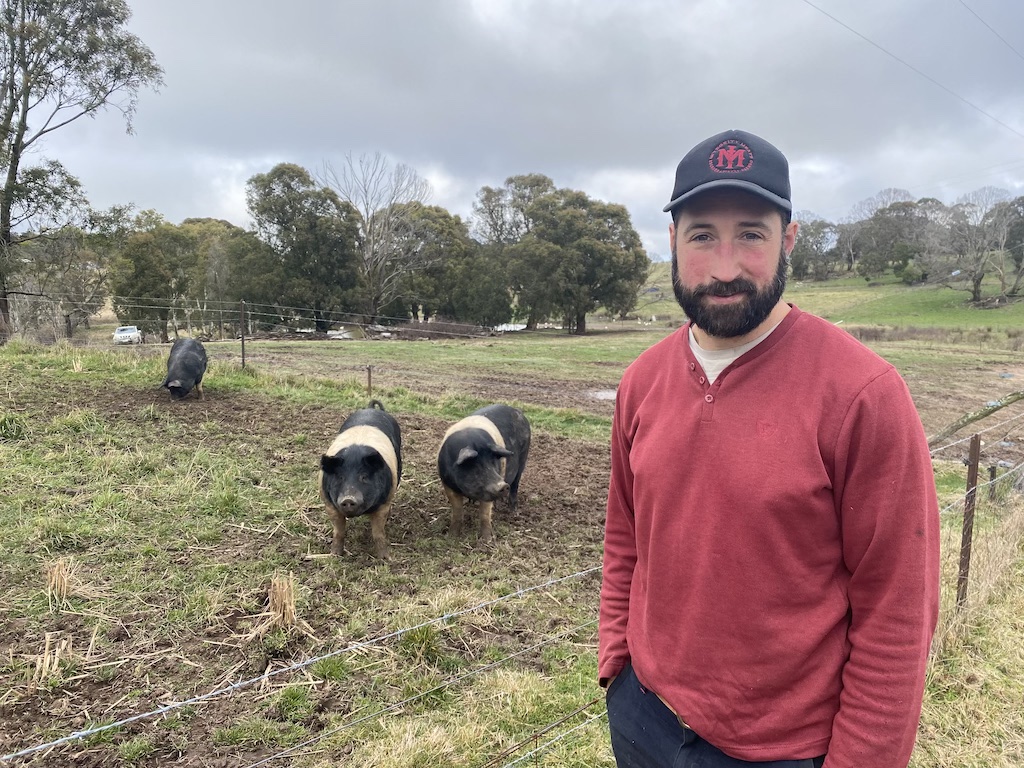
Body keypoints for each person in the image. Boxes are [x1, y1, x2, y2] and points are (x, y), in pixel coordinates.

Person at [598, 129, 940, 768]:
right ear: (672, 241)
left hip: (784, 752)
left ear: (789, 239)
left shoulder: (864, 394)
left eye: (751, 234)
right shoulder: (641, 382)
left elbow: (897, 612)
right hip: (643, 719)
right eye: (702, 235)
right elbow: (626, 539)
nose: (725, 266)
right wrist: (617, 666)